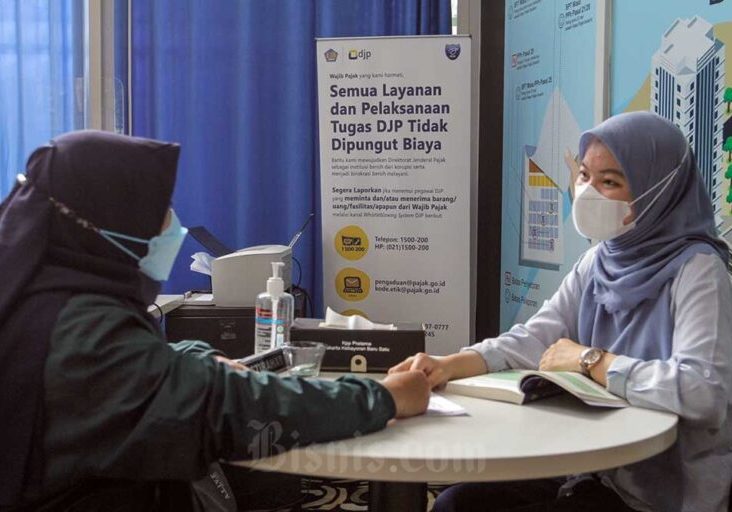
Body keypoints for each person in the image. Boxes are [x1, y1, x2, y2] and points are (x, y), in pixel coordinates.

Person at [0, 130, 430, 511]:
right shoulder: (82, 330)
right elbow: (235, 409)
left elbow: (125, 371)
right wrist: (383, 397)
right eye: (159, 209)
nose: (174, 226)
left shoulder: (34, 295)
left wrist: (191, 357)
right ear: (111, 218)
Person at [390, 112, 732, 512]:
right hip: (592, 466)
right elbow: (539, 337)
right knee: (455, 504)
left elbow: (702, 391)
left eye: (610, 182)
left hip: (658, 493)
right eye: (585, 176)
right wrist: (451, 363)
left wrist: (593, 361)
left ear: (658, 191)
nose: (588, 192)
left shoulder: (699, 270)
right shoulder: (599, 260)